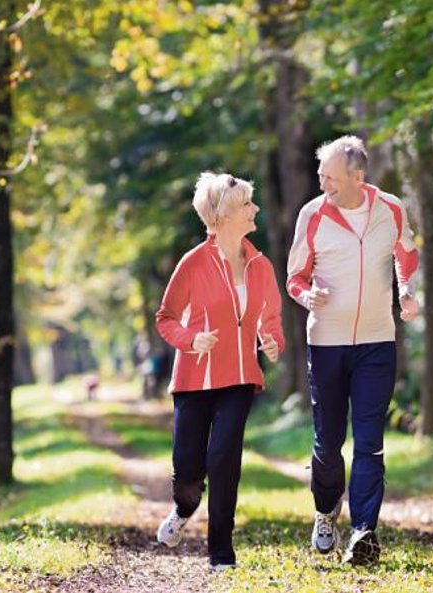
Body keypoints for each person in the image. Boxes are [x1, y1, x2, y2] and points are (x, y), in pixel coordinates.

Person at [286, 135, 420, 566]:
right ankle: (326, 512)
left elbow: (406, 253)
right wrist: (308, 296)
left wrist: (407, 291)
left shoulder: (391, 208)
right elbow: (294, 277)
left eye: (331, 176)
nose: (323, 182)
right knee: (328, 444)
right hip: (326, 342)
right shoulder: (313, 214)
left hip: (378, 340)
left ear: (357, 176)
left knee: (370, 440)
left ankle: (364, 530)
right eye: (321, 175)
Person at [154, 171, 284, 571]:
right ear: (224, 214)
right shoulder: (193, 263)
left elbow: (270, 316)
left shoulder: (260, 265)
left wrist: (271, 339)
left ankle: (221, 553)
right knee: (189, 470)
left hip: (241, 377)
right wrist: (192, 340)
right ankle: (183, 507)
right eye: (247, 203)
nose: (255, 208)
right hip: (194, 380)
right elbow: (166, 317)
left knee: (225, 459)